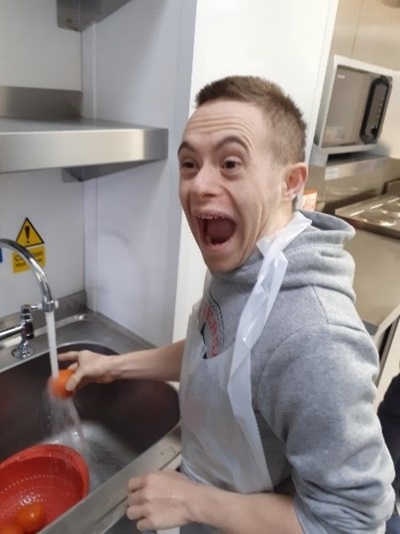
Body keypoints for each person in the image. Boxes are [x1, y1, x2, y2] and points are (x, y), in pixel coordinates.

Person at [59, 75, 395, 533]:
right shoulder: (245, 263)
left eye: (231, 163)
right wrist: (113, 367)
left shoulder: (316, 339)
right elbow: (217, 353)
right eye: (190, 164)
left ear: (290, 182)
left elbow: (352, 522)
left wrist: (194, 502)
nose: (200, 185)